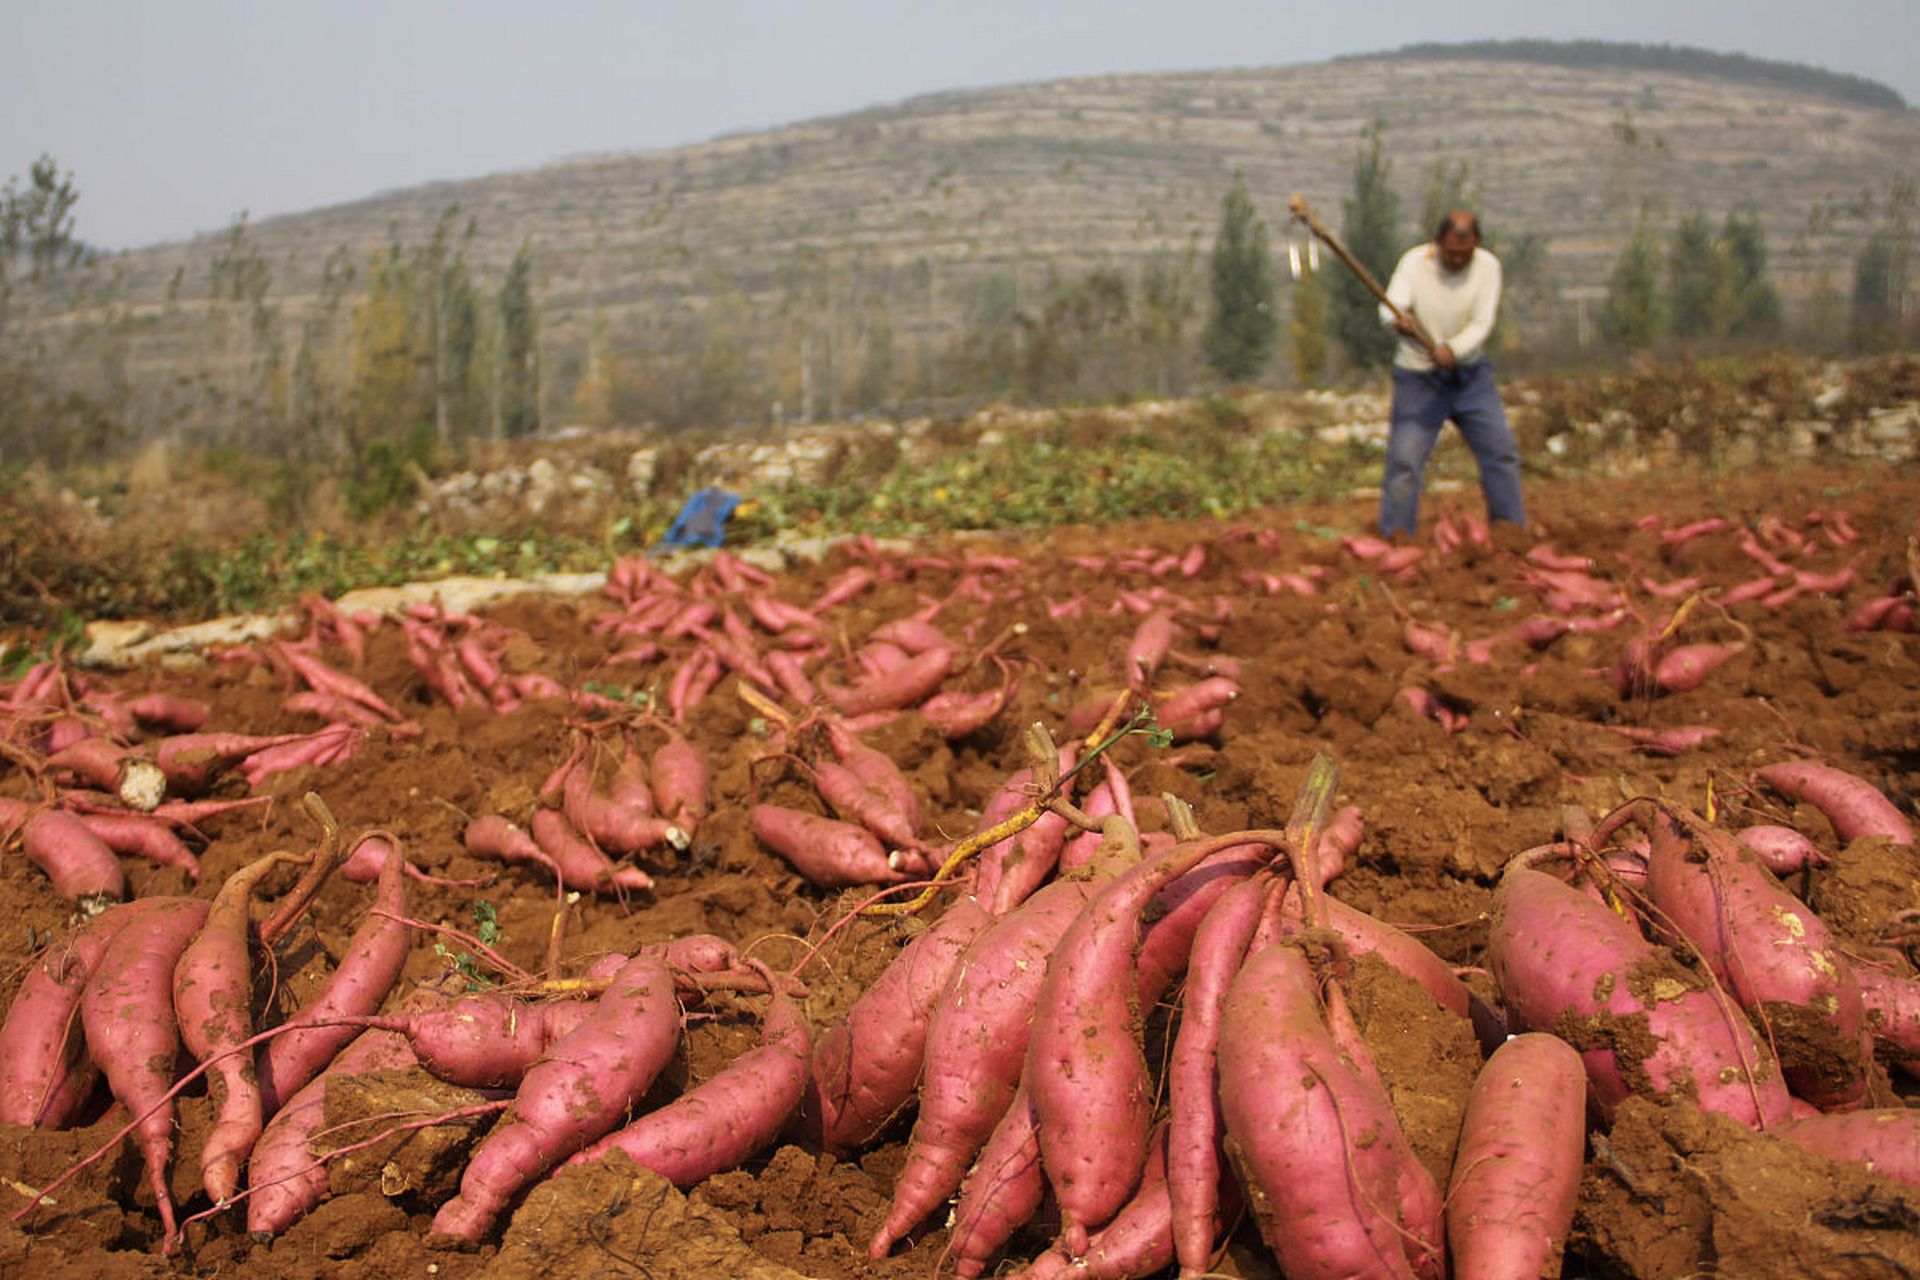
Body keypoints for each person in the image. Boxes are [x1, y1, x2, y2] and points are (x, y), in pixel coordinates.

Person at [1376, 209, 1526, 540]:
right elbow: (1389, 306)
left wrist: (1453, 350)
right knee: (1404, 462)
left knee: (1500, 452)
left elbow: (1482, 323)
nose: (1458, 260)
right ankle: (1396, 539)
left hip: (1470, 377)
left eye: (1465, 254)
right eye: (1451, 253)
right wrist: (1398, 321)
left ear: (1477, 246)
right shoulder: (1414, 263)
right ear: (1438, 243)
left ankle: (1511, 533)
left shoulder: (1488, 267)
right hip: (1418, 377)